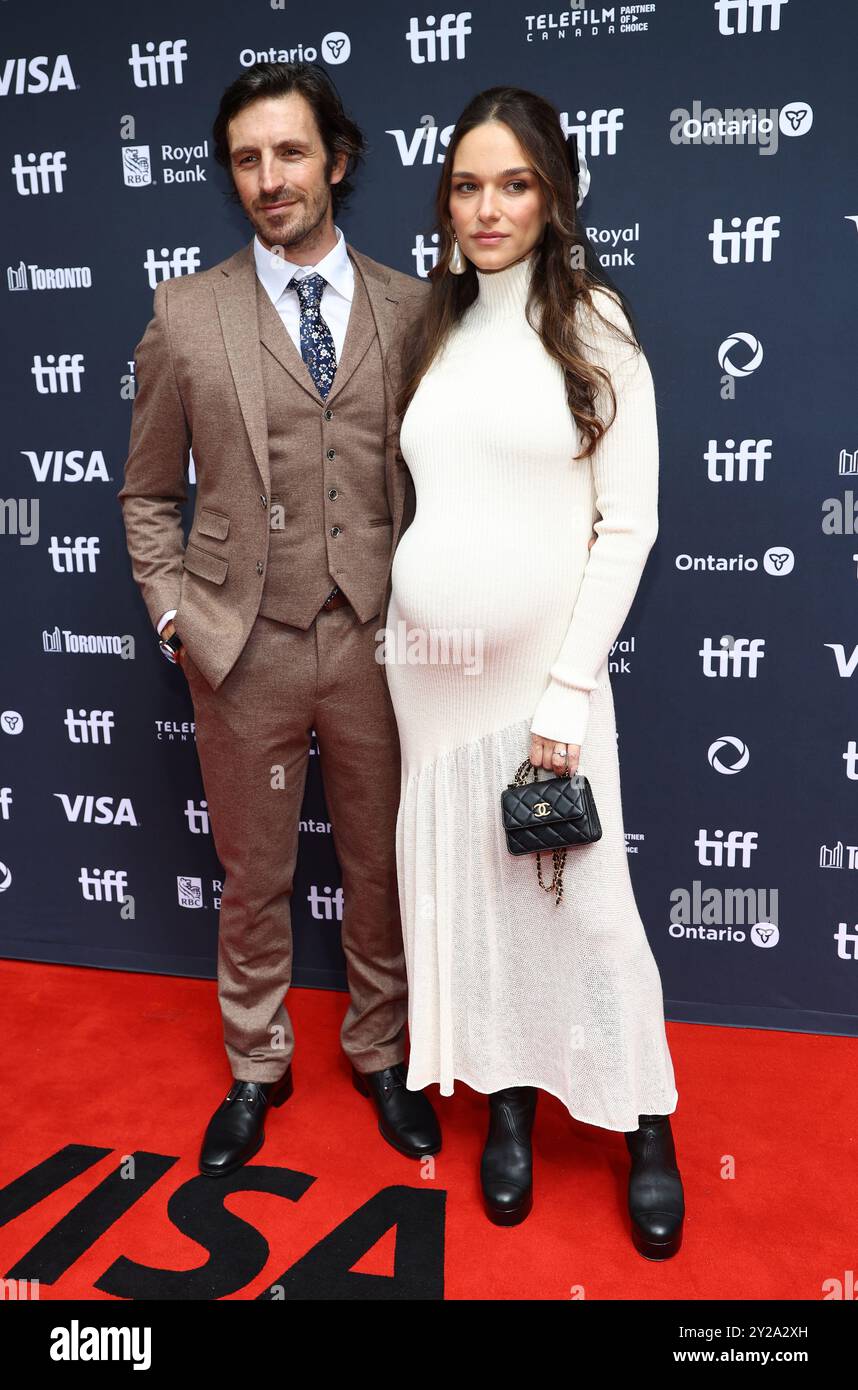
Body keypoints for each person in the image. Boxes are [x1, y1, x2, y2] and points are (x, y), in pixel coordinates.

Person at [118, 61, 441, 1178]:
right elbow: (147, 493)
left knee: (379, 863)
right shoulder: (186, 311)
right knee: (252, 872)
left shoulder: (412, 308)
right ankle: (257, 1062)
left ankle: (382, 1051)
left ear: (336, 162)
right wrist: (174, 617)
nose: (269, 178)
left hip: (378, 638)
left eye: (290, 153)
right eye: (248, 159)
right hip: (241, 642)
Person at [382, 86, 685, 1259]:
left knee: (589, 907)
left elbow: (629, 523)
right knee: (472, 891)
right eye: (467, 184)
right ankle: (505, 1096)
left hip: (537, 682)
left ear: (555, 192)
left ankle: (647, 1119)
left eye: (513, 183)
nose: (487, 207)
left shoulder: (593, 320)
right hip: (427, 675)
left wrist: (566, 690)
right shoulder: (435, 325)